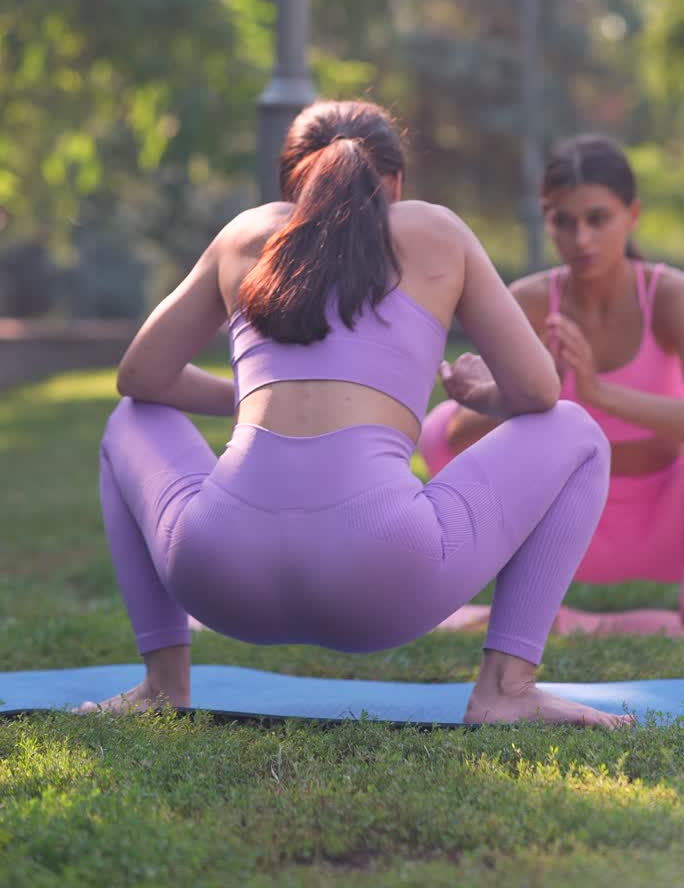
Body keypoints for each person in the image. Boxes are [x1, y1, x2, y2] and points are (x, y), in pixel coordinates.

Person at [76, 102, 630, 728]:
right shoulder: (435, 231)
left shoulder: (246, 234)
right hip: (383, 578)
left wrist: (254, 398)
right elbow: (540, 392)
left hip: (220, 572)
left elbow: (140, 378)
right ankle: (505, 688)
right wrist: (482, 396)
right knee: (578, 433)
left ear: (294, 186)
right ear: (393, 184)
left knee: (131, 418)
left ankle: (162, 684)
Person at [421, 134, 684, 634]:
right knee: (437, 426)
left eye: (598, 219)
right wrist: (539, 386)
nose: (581, 238)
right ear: (548, 221)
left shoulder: (672, 295)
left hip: (665, 523)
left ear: (633, 215)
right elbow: (454, 439)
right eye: (564, 221)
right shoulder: (532, 300)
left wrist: (601, 393)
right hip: (561, 525)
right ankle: (517, 603)